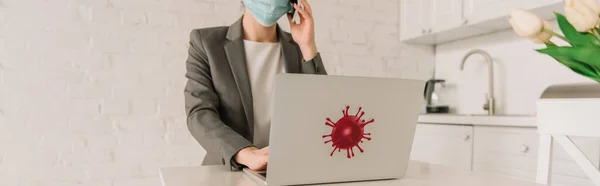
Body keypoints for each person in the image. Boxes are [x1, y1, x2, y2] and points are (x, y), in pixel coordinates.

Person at [184, 0, 327, 172]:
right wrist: (247, 154)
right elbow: (199, 114)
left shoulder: (298, 47)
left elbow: (324, 115)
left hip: (285, 173)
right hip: (228, 172)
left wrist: (308, 46)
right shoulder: (206, 43)